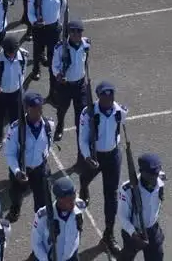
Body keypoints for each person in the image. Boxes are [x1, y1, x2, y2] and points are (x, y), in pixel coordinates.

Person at [77, 81, 127, 249]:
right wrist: (87, 157)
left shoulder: (120, 111)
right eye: (105, 97)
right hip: (94, 156)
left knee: (111, 195)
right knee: (84, 178)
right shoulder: (88, 113)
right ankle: (84, 187)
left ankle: (109, 232)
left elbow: (119, 131)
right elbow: (82, 140)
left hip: (112, 156)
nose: (109, 100)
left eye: (111, 96)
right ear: (98, 98)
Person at [4, 91, 55, 223]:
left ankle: (41, 222)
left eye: (40, 109)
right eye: (34, 110)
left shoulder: (49, 125)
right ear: (26, 109)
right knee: (16, 194)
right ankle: (15, 208)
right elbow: (10, 154)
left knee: (42, 201)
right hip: (21, 168)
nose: (38, 113)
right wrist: (16, 171)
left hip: (39, 169)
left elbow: (48, 144)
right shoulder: (16, 129)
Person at [118, 153, 167, 261]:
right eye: (151, 175)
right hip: (133, 232)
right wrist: (134, 233)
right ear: (142, 173)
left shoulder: (161, 179)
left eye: (156, 173)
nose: (155, 178)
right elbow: (122, 216)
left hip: (152, 229)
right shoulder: (128, 190)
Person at [0, 36, 27, 150]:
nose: (11, 55)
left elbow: (23, 73)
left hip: (16, 93)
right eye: (9, 52)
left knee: (15, 119)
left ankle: (15, 138)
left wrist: (18, 87)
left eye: (14, 52)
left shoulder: (23, 56)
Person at [31, 176, 87, 261]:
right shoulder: (43, 216)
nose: (72, 203)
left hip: (71, 257)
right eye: (68, 200)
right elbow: (36, 243)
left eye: (73, 198)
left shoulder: (80, 206)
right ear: (59, 199)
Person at [51, 19, 90, 141]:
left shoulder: (86, 44)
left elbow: (85, 60)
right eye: (73, 32)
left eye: (79, 32)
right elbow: (54, 65)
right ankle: (60, 125)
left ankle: (81, 133)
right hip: (65, 85)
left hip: (80, 85)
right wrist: (58, 75)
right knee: (61, 109)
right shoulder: (60, 48)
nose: (76, 34)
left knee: (81, 112)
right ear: (68, 33)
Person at [27, 0, 66, 82]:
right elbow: (30, 12)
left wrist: (60, 23)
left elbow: (63, 8)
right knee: (37, 51)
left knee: (53, 53)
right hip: (39, 28)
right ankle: (36, 70)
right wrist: (34, 22)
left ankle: (52, 75)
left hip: (53, 28)